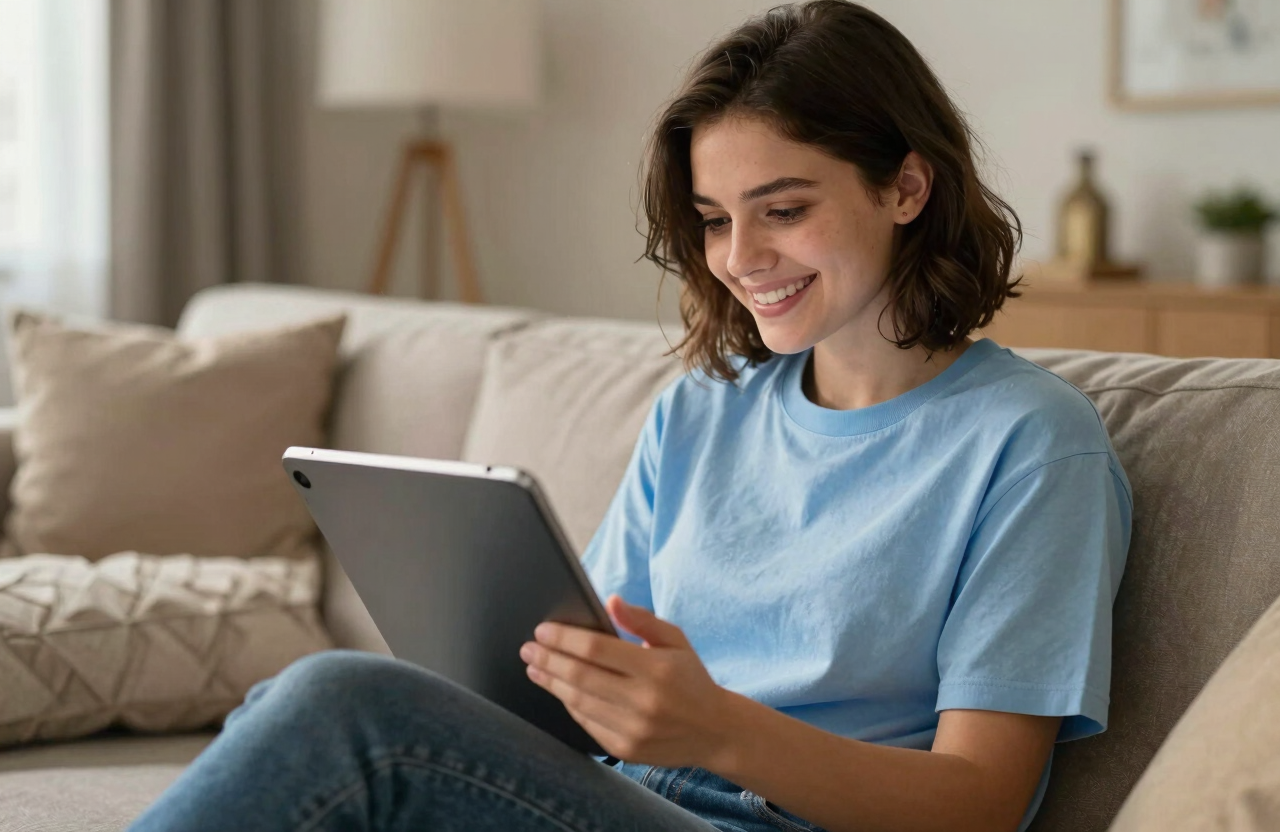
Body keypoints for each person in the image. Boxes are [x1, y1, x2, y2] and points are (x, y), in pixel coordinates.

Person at [128, 2, 1131, 831]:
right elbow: (587, 679)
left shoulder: (1030, 442)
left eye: (783, 209)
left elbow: (981, 803)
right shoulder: (702, 411)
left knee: (340, 706)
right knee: (297, 706)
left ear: (905, 187)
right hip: (617, 796)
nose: (739, 257)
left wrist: (722, 731)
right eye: (714, 219)